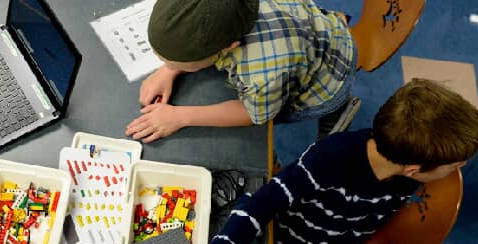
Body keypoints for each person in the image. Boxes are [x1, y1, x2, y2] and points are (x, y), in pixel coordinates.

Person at [154, 78, 478, 244]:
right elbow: (258, 206)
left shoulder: (405, 179)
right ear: (414, 168)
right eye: (454, 166)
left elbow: (365, 221)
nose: (459, 171)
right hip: (257, 230)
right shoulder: (329, 159)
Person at [125, 0, 359, 142]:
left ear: (228, 47)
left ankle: (339, 115)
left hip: (330, 78)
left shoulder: (264, 75)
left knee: (324, 130)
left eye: (182, 64)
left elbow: (252, 113)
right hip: (319, 28)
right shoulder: (229, 10)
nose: (173, 67)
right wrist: (169, 70)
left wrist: (180, 116)